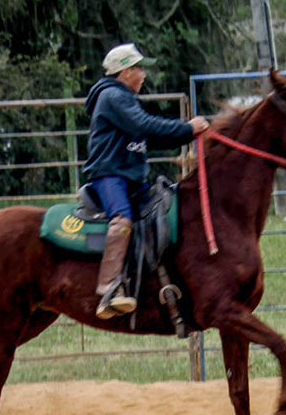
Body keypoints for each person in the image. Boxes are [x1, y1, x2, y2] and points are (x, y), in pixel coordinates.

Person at [82, 42, 209, 319]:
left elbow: (152, 136)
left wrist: (187, 133)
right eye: (139, 68)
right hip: (110, 175)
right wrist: (187, 127)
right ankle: (110, 289)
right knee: (123, 220)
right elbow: (145, 126)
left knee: (158, 212)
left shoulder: (124, 99)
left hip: (129, 178)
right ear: (125, 71)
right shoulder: (113, 97)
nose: (143, 74)